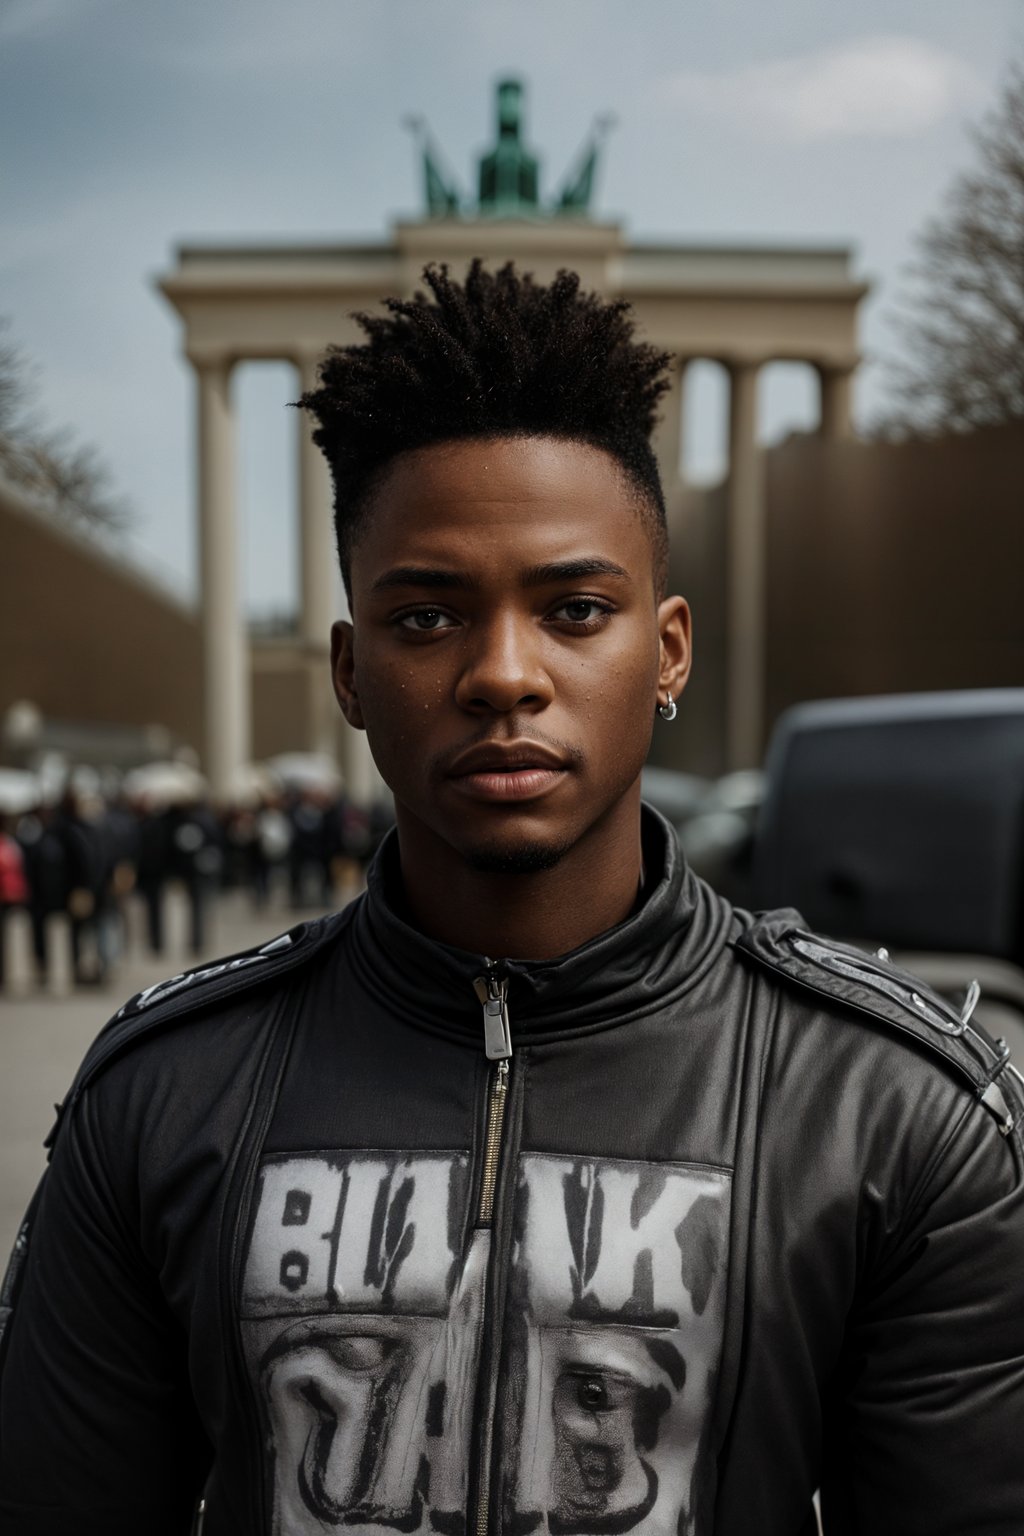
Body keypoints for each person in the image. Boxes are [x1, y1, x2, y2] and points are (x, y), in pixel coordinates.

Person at [1, 263, 1021, 1536]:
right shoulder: (157, 1093)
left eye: (575, 609)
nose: (502, 674)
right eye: (427, 616)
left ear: (667, 653)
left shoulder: (896, 1107)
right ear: (349, 671)